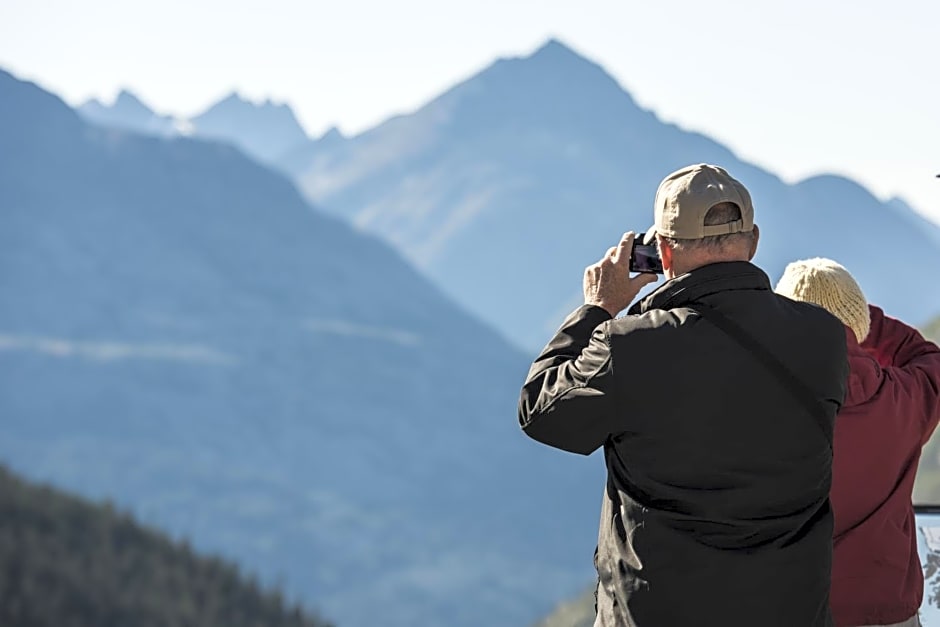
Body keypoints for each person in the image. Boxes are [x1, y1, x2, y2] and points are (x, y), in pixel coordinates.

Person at [518, 163, 849, 626]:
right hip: (789, 609)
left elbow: (541, 412)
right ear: (752, 242)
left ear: (665, 254)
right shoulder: (824, 337)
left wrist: (597, 309)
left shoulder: (629, 346)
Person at [776, 258, 940, 627]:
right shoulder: (904, 399)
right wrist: (860, 320)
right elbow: (929, 358)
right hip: (888, 614)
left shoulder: (756, 408)